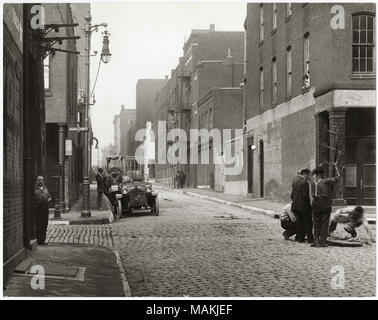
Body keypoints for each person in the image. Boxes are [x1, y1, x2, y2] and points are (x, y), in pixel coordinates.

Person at [310, 165, 340, 247]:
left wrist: (316, 170)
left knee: (316, 223)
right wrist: (336, 167)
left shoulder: (312, 181)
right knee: (324, 223)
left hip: (315, 204)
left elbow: (310, 174)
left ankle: (316, 241)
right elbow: (337, 178)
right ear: (321, 174)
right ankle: (322, 242)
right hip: (324, 204)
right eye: (323, 173)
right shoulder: (325, 181)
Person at [291, 168, 314, 243]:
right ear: (306, 174)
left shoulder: (295, 181)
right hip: (303, 206)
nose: (309, 176)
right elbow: (305, 195)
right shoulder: (305, 182)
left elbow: (292, 195)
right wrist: (309, 205)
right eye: (309, 175)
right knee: (308, 223)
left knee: (299, 222)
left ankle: (300, 238)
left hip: (295, 206)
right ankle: (310, 239)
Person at [34, 176, 52, 245]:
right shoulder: (34, 189)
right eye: (39, 180)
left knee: (44, 224)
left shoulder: (45, 188)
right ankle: (38, 240)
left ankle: (43, 240)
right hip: (38, 208)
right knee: (38, 224)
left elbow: (49, 196)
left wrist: (49, 199)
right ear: (37, 181)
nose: (41, 181)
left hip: (45, 208)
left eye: (42, 180)